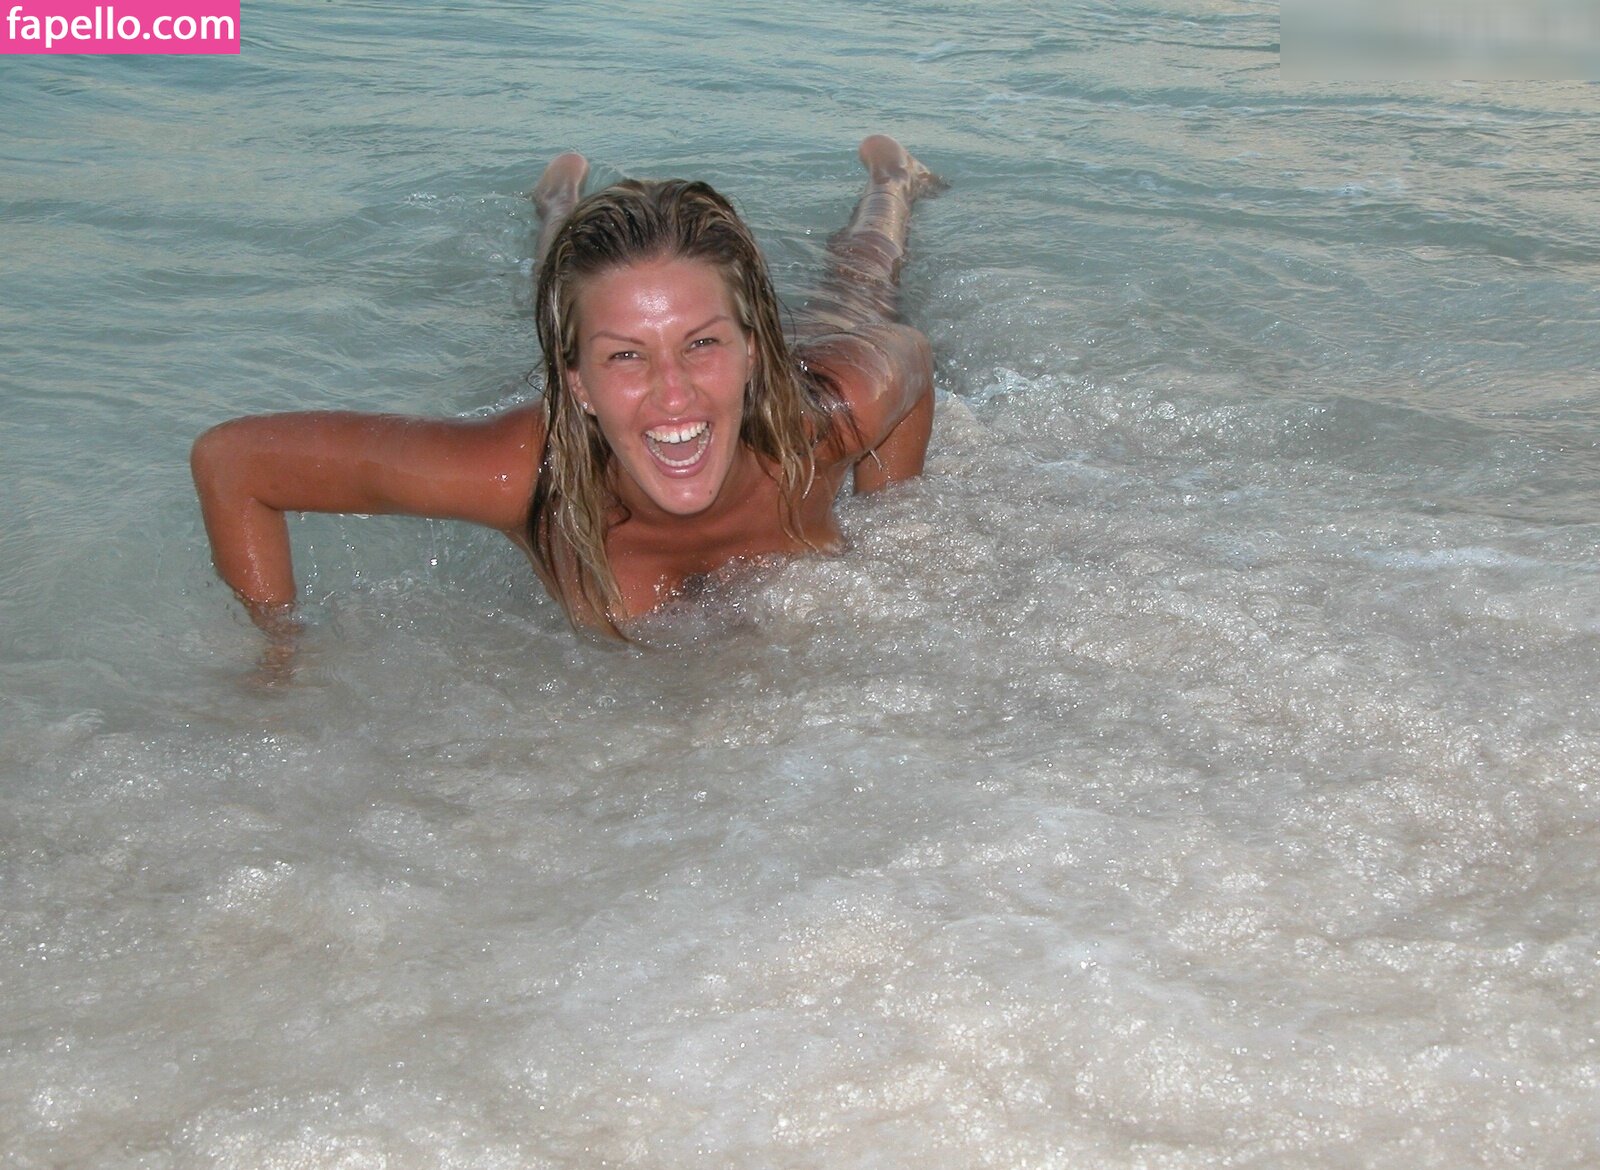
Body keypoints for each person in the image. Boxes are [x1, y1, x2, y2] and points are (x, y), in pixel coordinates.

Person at [191, 135, 941, 638]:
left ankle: (893, 181)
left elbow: (911, 357)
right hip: (589, 374)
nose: (672, 394)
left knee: (865, 278)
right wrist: (278, 654)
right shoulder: (522, 476)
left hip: (807, 356)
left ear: (752, 350)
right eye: (626, 359)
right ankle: (556, 206)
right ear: (576, 384)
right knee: (573, 300)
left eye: (702, 344)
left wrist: (893, 518)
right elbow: (235, 463)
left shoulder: (827, 419)